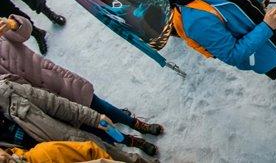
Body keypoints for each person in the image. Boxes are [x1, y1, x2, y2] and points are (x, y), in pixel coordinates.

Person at [0, 15, 163, 142]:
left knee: (100, 106)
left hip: (54, 79)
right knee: (90, 126)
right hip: (39, 101)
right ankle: (129, 141)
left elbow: (25, 32)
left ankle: (136, 124)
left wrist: (13, 24)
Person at [0, 78, 155, 161]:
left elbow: (57, 105)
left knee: (110, 152)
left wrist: (95, 119)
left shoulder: (6, 92)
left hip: (73, 143)